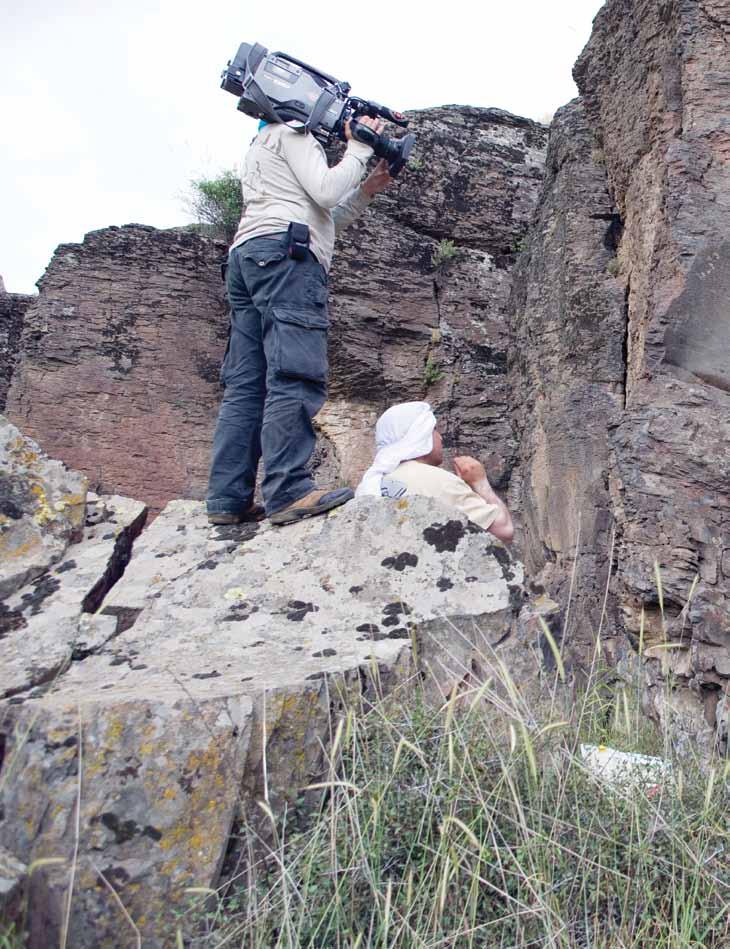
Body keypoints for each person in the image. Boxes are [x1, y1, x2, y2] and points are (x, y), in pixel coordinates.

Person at [207, 115, 394, 526]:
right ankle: (288, 491)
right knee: (294, 374)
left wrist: (364, 191)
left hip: (250, 256)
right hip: (286, 258)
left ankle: (226, 498)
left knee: (247, 383)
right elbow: (326, 193)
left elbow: (323, 218)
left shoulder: (262, 146)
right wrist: (360, 147)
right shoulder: (293, 131)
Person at [356, 401, 514, 543]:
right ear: (420, 434)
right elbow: (503, 530)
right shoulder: (437, 481)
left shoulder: (371, 484)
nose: (439, 437)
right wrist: (480, 483)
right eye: (434, 430)